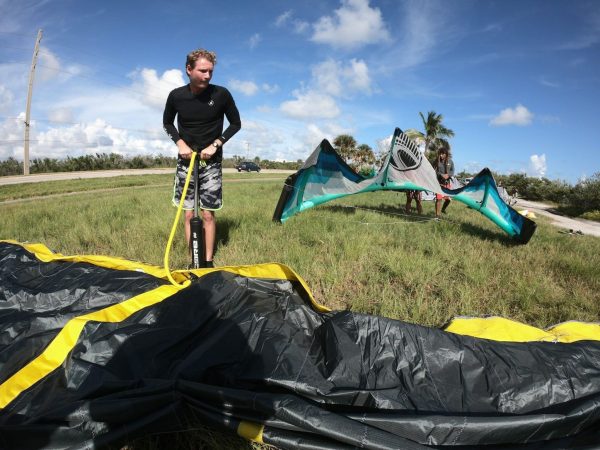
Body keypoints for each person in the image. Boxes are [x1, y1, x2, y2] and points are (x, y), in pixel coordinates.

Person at [163, 49, 241, 267]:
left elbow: (236, 124)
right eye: (203, 71)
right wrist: (180, 143)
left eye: (211, 71)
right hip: (186, 161)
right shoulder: (176, 96)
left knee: (207, 215)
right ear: (189, 70)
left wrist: (216, 144)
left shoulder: (221, 94)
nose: (208, 76)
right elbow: (167, 123)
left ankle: (208, 262)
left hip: (211, 161)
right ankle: (193, 261)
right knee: (188, 215)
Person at [434, 146, 454, 219]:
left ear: (446, 154)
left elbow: (452, 171)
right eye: (440, 154)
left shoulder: (450, 161)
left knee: (448, 200)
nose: (441, 155)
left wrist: (448, 175)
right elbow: (433, 171)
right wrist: (441, 175)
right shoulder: (436, 161)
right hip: (439, 183)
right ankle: (437, 216)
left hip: (447, 183)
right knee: (438, 199)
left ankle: (443, 209)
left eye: (443, 154)